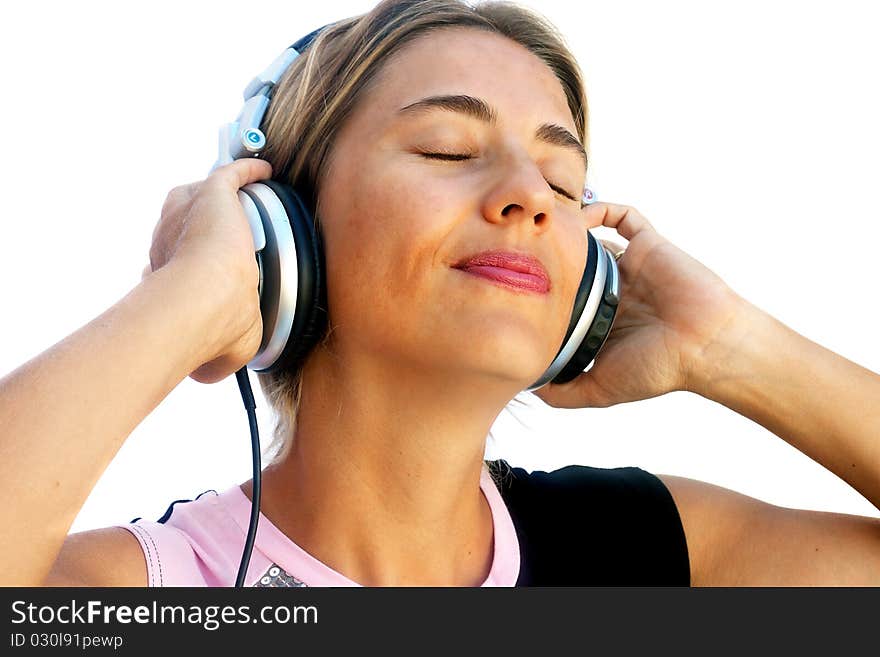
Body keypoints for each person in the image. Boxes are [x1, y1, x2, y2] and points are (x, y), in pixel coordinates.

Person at [2, 0, 878, 587]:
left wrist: (726, 344)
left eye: (564, 181)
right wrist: (186, 303)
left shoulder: (644, 551)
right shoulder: (147, 588)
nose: (530, 197)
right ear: (285, 225)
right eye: (448, 151)